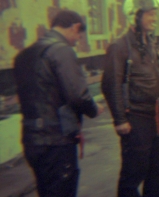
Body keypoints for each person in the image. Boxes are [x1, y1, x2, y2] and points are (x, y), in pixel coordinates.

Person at [14, 10, 104, 197]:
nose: (77, 40)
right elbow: (78, 95)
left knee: (46, 191)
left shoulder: (24, 55)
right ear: (75, 27)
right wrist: (94, 109)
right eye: (79, 36)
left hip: (31, 139)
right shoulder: (61, 51)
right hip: (56, 141)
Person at [101, 0, 159, 197]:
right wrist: (120, 119)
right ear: (135, 16)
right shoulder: (120, 46)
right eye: (150, 14)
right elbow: (111, 85)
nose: (154, 19)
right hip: (137, 120)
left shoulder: (149, 44)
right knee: (133, 175)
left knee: (157, 170)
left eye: (155, 14)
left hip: (156, 120)